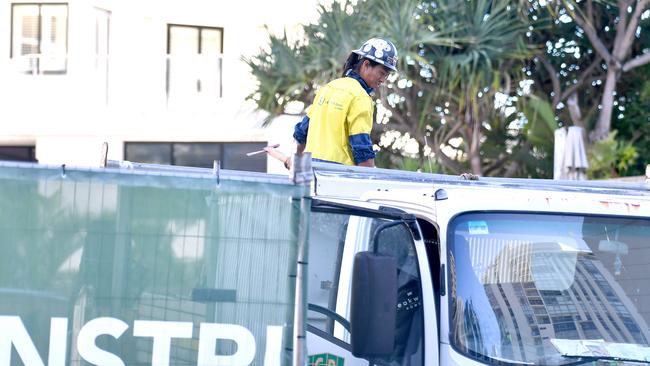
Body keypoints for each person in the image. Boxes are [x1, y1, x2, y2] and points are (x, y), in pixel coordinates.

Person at [267, 38, 398, 169]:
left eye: (386, 76)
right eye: (382, 73)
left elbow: (302, 132)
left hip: (311, 171)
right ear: (366, 65)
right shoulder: (360, 97)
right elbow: (361, 148)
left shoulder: (328, 88)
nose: (383, 80)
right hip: (338, 176)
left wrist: (296, 161)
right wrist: (370, 178)